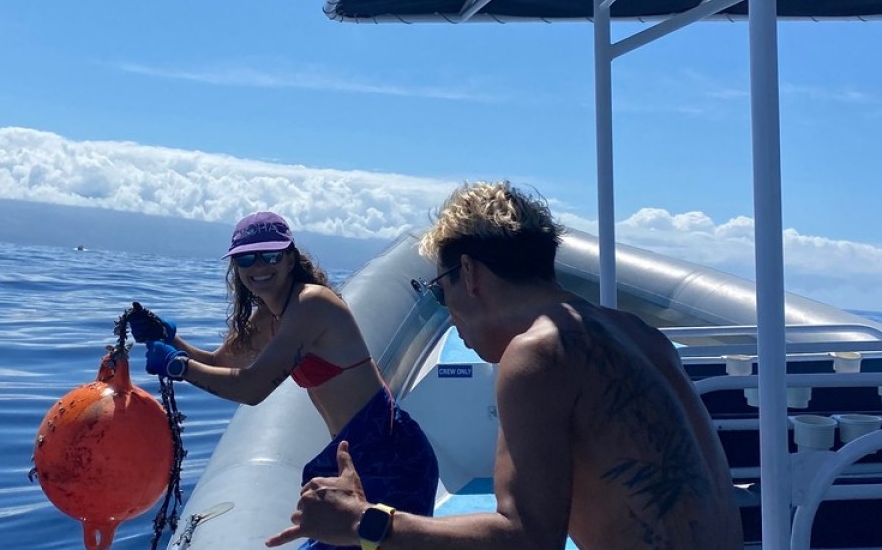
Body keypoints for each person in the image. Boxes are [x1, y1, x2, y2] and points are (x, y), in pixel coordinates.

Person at [266, 182, 743, 550]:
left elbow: (528, 540)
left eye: (440, 291)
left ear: (469, 273)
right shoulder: (644, 336)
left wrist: (364, 521)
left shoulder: (539, 352)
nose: (450, 314)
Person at [127, 211, 438, 550]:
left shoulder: (311, 303)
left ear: (290, 259)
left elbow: (252, 388)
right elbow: (219, 363)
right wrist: (169, 339)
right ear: (236, 267)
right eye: (246, 258)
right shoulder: (270, 317)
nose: (259, 266)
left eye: (271, 255)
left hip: (391, 457)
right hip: (354, 456)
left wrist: (178, 367)